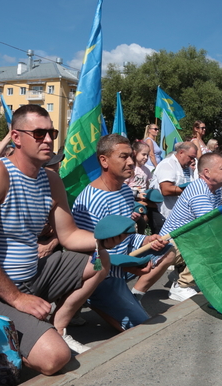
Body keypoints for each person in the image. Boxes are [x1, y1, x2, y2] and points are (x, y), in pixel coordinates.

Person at [0, 104, 122, 373]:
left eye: (51, 133)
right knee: (55, 358)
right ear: (16, 137)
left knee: (99, 260)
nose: (48, 140)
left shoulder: (50, 179)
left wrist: (102, 241)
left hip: (31, 278)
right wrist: (16, 298)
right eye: (38, 133)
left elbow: (68, 235)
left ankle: (57, 326)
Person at [72, 134, 172, 327]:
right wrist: (127, 266)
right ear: (104, 160)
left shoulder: (126, 192)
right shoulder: (91, 200)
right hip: (101, 275)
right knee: (140, 329)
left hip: (123, 266)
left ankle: (131, 297)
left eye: (131, 157)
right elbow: (87, 254)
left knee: (167, 250)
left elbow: (126, 237)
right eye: (123, 157)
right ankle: (93, 298)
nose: (130, 162)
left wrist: (146, 240)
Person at [159, 152, 222, 301]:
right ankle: (182, 286)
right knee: (212, 242)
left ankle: (179, 274)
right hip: (166, 245)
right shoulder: (200, 191)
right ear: (207, 172)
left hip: (181, 242)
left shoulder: (218, 189)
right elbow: (211, 228)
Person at [152, 141, 197, 220]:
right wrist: (190, 190)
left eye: (194, 158)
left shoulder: (188, 168)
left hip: (181, 215)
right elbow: (165, 190)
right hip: (165, 215)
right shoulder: (168, 164)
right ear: (181, 152)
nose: (193, 160)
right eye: (191, 157)